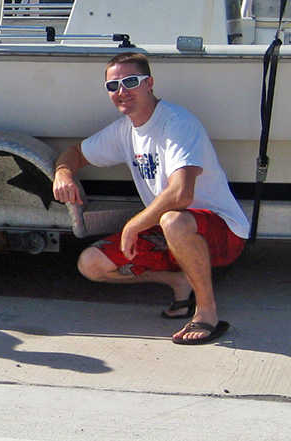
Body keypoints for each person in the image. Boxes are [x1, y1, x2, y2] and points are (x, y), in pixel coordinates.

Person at [52, 52, 249, 345]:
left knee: (173, 220)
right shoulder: (124, 131)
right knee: (90, 263)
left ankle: (207, 313)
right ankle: (178, 281)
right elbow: (76, 153)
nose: (121, 91)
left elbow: (182, 194)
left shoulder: (177, 123)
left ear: (149, 84)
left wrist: (134, 226)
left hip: (222, 234)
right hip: (171, 229)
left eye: (130, 81)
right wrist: (64, 173)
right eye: (113, 85)